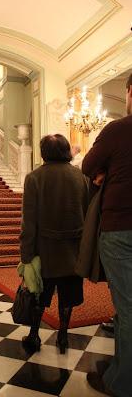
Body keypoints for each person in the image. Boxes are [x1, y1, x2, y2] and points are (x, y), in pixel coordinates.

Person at [82, 73, 132, 397]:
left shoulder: (118, 129)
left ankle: (121, 382)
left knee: (127, 309)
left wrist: (104, 173)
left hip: (121, 229)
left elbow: (88, 164)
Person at [20, 134, 89, 353]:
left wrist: (26, 254)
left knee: (40, 294)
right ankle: (63, 337)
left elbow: (28, 221)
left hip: (45, 250)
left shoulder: (34, 178)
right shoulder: (81, 177)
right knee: (68, 295)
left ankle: (34, 335)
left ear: (43, 152)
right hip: (74, 249)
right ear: (67, 150)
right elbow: (87, 214)